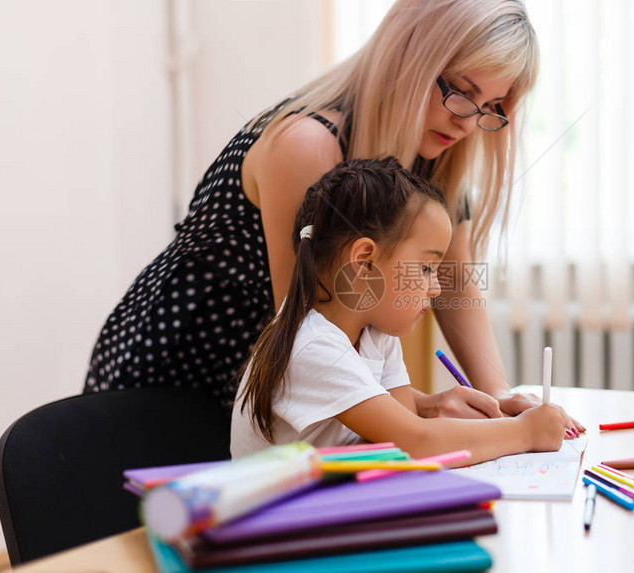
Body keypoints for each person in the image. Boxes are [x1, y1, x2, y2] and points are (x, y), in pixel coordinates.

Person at [85, 0, 557, 419]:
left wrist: (499, 395)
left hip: (281, 399)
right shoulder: (309, 144)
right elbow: (309, 330)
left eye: (491, 106)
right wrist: (422, 407)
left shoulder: (436, 155)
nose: (469, 121)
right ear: (409, 57)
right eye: (459, 89)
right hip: (176, 380)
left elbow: (455, 283)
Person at [231, 157, 583, 461]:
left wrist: (495, 419)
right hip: (282, 523)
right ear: (365, 261)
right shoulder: (313, 346)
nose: (436, 286)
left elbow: (403, 430)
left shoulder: (374, 332)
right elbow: (417, 442)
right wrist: (524, 433)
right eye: (427, 268)